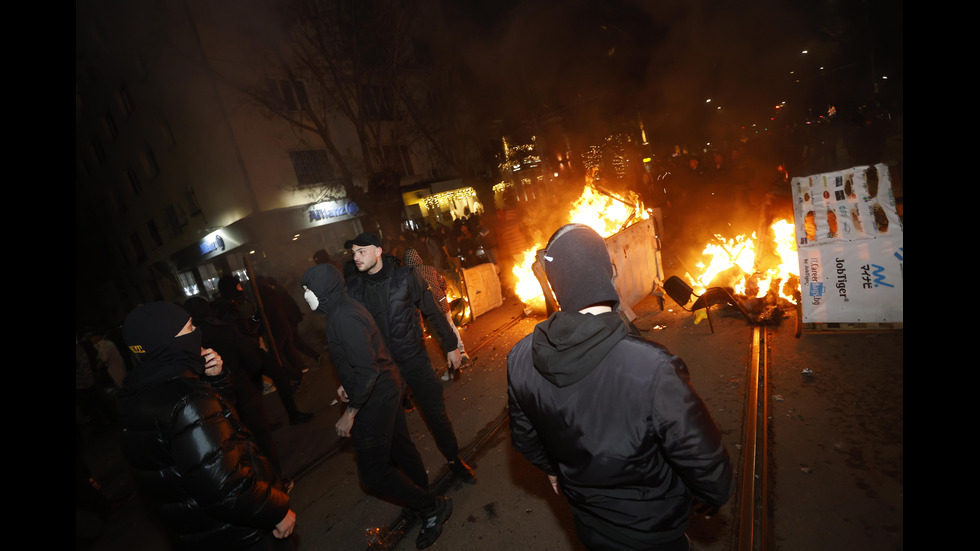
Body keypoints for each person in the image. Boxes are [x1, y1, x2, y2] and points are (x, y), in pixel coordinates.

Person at [507, 224, 734, 551]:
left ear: (555, 286)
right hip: (654, 533)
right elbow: (714, 477)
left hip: (589, 527)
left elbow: (526, 439)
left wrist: (555, 471)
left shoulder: (520, 358)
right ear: (608, 274)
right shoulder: (654, 368)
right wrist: (705, 494)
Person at [116, 301, 296, 551]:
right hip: (240, 534)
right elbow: (225, 487)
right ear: (168, 340)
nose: (197, 332)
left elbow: (212, 435)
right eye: (189, 328)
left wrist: (217, 382)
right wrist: (275, 510)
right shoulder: (187, 399)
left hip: (199, 533)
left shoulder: (135, 396)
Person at [301, 263, 453, 550]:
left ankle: (431, 507)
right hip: (385, 387)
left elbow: (368, 370)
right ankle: (422, 497)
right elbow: (363, 357)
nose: (306, 295)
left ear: (323, 289)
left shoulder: (343, 317)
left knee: (372, 471)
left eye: (308, 289)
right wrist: (348, 380)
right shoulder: (343, 310)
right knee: (401, 448)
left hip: (376, 397)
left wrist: (350, 413)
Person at [344, 232, 476, 484]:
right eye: (353, 253)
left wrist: (451, 346)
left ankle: (454, 460)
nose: (356, 257)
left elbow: (431, 310)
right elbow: (351, 334)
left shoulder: (406, 276)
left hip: (414, 360)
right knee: (391, 426)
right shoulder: (355, 287)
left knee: (436, 415)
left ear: (378, 251)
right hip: (383, 368)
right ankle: (412, 481)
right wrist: (350, 374)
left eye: (362, 251)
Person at [403, 248, 470, 380]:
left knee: (441, 337)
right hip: (443, 303)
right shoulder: (430, 268)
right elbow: (443, 283)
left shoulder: (411, 276)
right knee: (450, 326)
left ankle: (454, 368)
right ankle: (461, 352)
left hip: (431, 309)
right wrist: (441, 293)